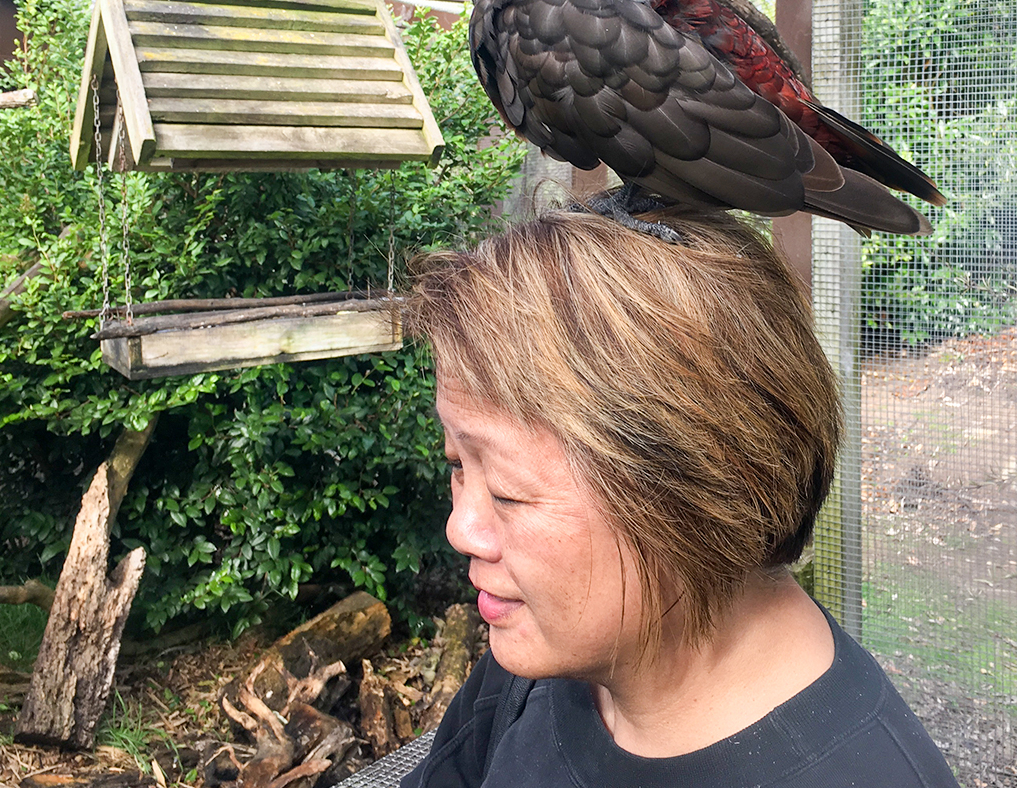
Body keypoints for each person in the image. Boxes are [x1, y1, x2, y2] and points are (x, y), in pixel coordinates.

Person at [400, 205, 959, 788]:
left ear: (696, 489)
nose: (461, 529)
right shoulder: (540, 658)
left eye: (510, 494)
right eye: (457, 465)